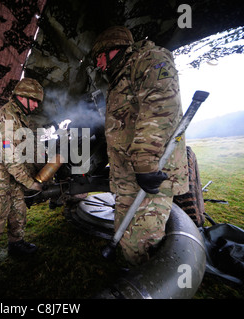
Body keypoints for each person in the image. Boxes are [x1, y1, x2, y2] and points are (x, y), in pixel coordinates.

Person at [90, 26, 189, 265]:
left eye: (98, 59)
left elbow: (160, 109)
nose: (98, 65)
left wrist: (145, 163)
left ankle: (147, 284)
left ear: (110, 51)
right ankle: (129, 273)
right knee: (124, 232)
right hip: (127, 177)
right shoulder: (117, 79)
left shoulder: (149, 59)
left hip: (150, 173)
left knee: (141, 241)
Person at [0, 78, 44, 285]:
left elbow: (28, 148)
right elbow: (11, 159)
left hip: (9, 172)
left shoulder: (21, 116)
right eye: (35, 101)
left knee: (18, 208)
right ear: (23, 97)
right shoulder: (8, 119)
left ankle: (16, 243)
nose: (37, 105)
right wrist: (31, 183)